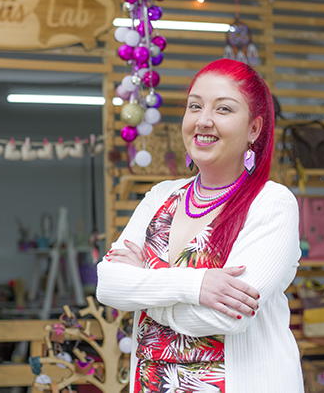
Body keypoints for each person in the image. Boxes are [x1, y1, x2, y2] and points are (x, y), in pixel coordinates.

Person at [96, 59, 303, 393]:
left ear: (254, 129)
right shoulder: (161, 196)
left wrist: (143, 290)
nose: (203, 120)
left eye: (223, 109)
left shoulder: (271, 204)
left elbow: (225, 317)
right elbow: (109, 285)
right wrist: (197, 285)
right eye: (195, 106)